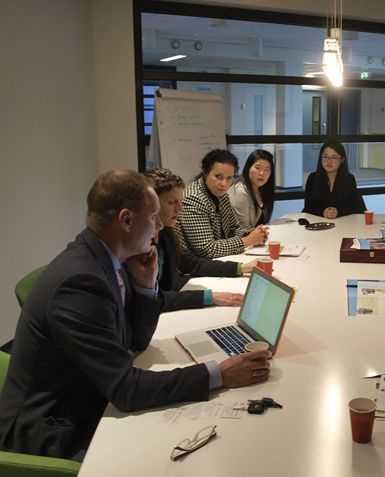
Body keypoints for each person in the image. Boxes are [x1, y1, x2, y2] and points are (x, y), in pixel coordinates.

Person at [0, 170, 271, 461]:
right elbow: (126, 389)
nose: (160, 225)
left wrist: (144, 287)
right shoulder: (81, 282)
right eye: (153, 217)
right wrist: (219, 374)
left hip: (86, 395)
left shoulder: (108, 261)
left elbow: (136, 341)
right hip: (51, 430)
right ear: (127, 220)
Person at [143, 168, 258, 312]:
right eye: (172, 202)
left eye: (180, 201)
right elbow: (148, 300)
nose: (180, 208)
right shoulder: (136, 245)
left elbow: (190, 263)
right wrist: (207, 297)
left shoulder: (166, 230)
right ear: (151, 204)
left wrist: (239, 268)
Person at [177, 149, 268, 258]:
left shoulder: (221, 194)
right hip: (195, 264)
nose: (224, 184)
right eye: (218, 177)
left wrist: (251, 234)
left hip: (218, 259)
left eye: (229, 178)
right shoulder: (194, 198)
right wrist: (248, 240)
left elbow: (235, 228)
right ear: (205, 173)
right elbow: (207, 249)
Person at [303, 142, 366, 219]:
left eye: (334, 158)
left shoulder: (349, 179)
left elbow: (354, 206)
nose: (329, 161)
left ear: (342, 160)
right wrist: (323, 212)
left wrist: (338, 212)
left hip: (343, 223)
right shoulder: (313, 178)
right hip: (318, 222)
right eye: (325, 157)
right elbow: (308, 207)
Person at [228, 149, 275, 232]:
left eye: (267, 170)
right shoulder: (240, 192)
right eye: (258, 168)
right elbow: (243, 230)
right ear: (248, 168)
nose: (262, 173)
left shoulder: (262, 190)